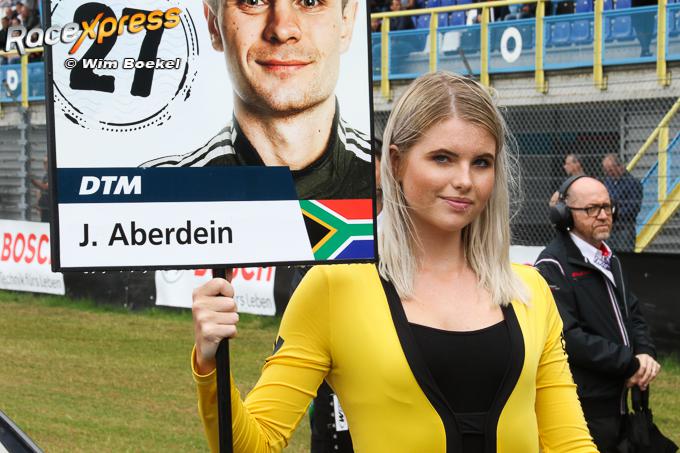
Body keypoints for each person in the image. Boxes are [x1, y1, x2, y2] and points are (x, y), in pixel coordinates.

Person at [190, 71, 597, 452]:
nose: (464, 180)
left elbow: (570, 444)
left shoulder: (530, 291)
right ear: (396, 163)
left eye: (481, 162)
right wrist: (210, 366)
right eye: (442, 158)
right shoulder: (335, 287)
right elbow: (255, 444)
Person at [142, 0, 372, 201]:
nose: (282, 29)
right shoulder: (155, 193)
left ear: (347, 21)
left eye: (310, 1)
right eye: (252, 1)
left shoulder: (387, 176)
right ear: (214, 24)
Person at [536, 175, 660, 453]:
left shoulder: (609, 258)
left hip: (620, 400)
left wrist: (645, 353)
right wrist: (629, 364)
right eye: (591, 208)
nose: (603, 215)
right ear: (565, 215)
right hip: (585, 405)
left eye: (607, 206)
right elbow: (569, 338)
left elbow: (633, 312)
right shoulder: (552, 265)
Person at [602, 153, 642, 252]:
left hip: (625, 227)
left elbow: (634, 208)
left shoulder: (633, 183)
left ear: (619, 167)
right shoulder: (607, 182)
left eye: (610, 170)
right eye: (606, 170)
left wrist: (614, 212)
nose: (608, 173)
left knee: (625, 254)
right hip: (609, 226)